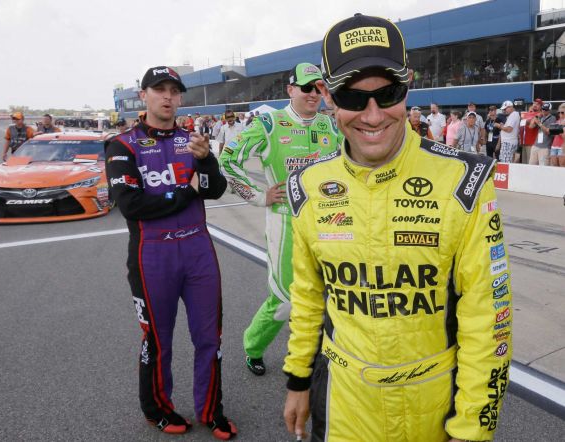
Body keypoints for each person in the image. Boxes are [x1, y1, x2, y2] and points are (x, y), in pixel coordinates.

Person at [283, 13, 512, 442]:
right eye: (353, 97)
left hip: (434, 405)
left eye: (388, 92)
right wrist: (297, 379)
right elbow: (309, 297)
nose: (372, 115)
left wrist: (472, 429)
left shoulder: (466, 180)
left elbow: (488, 318)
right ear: (329, 97)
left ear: (408, 86)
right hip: (343, 402)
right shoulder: (308, 186)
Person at [104, 66, 236, 440]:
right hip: (152, 256)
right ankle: (156, 408)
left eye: (173, 91)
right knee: (157, 339)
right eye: (158, 89)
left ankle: (212, 410)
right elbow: (131, 205)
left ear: (180, 98)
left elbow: (215, 189)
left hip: (198, 249)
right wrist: (186, 191)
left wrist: (207, 161)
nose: (167, 96)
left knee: (210, 337)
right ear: (143, 94)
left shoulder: (190, 140)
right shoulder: (123, 145)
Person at [219, 62, 342, 376]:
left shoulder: (330, 126)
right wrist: (259, 196)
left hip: (327, 220)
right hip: (286, 220)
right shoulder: (269, 123)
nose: (313, 94)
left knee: (333, 290)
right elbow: (228, 160)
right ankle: (253, 345)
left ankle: (322, 351)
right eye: (306, 87)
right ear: (290, 89)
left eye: (318, 88)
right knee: (286, 296)